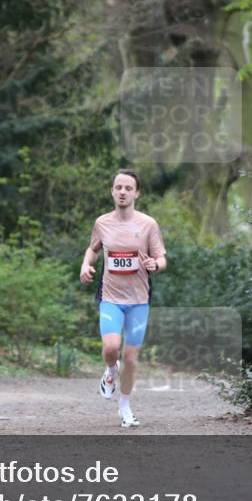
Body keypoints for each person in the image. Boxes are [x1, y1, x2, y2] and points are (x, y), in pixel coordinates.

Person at [79, 170, 166, 429]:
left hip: (139, 300)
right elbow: (93, 249)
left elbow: (161, 258)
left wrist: (155, 265)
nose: (122, 192)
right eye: (118, 187)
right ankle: (110, 371)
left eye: (128, 188)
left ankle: (125, 406)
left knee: (130, 358)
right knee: (110, 348)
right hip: (111, 297)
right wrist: (86, 265)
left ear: (137, 193)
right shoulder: (102, 223)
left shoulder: (148, 224)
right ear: (112, 191)